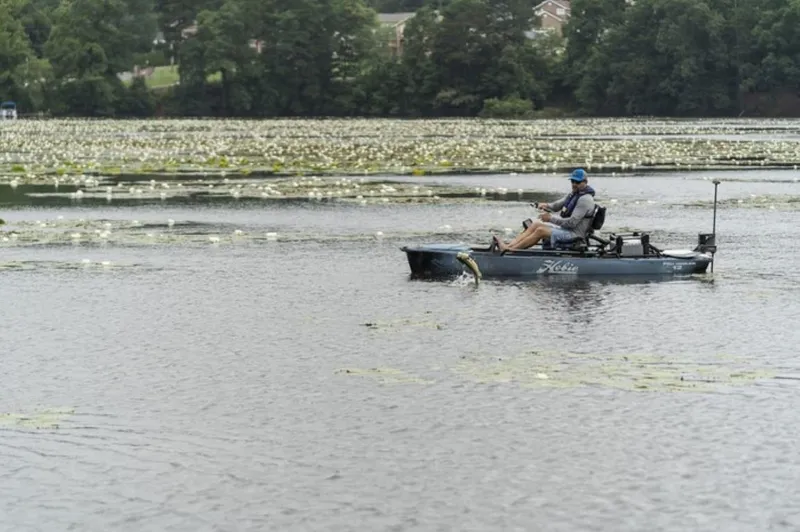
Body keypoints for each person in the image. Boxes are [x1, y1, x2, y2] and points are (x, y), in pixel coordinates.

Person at [492, 169, 596, 253]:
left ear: (585, 182)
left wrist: (550, 219)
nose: (574, 184)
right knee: (536, 224)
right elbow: (555, 206)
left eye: (577, 182)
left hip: (575, 235)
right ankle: (508, 246)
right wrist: (544, 205)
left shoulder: (585, 199)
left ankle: (511, 251)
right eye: (572, 181)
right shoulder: (574, 194)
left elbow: (571, 223)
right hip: (567, 229)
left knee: (541, 231)